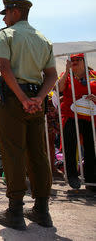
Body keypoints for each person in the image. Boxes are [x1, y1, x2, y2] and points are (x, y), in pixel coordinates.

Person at [0, 0, 57, 230]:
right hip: (36, 102)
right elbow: (51, 75)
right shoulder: (43, 39)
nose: (5, 18)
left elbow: (5, 70)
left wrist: (22, 99)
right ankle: (42, 211)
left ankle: (16, 213)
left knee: (14, 152)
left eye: (6, 13)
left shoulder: (5, 35)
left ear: (16, 12)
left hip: (14, 100)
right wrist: (37, 99)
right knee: (38, 153)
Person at [57, 53, 96, 191]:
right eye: (72, 60)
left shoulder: (94, 75)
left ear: (84, 61)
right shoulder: (66, 75)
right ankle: (72, 176)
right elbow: (59, 89)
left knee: (91, 148)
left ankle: (91, 179)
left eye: (77, 60)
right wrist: (67, 70)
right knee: (70, 146)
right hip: (70, 116)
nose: (74, 62)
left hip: (90, 117)